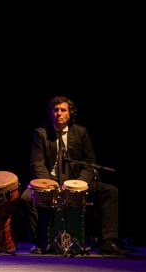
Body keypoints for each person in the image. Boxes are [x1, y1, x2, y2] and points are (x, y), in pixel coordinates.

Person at [21, 96, 125, 255]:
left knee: (110, 191)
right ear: (50, 113)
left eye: (63, 110)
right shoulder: (41, 133)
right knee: (26, 198)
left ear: (70, 113)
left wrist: (79, 184)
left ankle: (108, 240)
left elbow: (89, 162)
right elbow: (37, 163)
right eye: (55, 110)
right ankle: (39, 242)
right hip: (50, 182)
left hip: (76, 181)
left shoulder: (81, 132)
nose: (59, 113)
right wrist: (49, 185)